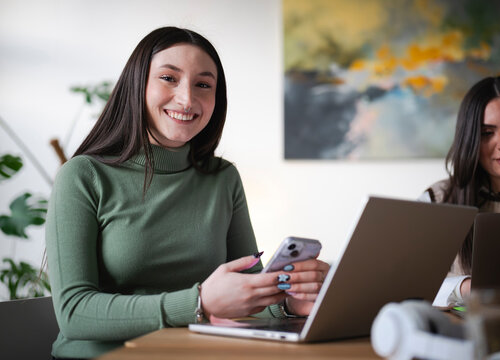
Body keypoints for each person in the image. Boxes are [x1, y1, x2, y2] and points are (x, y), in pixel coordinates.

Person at [45, 27, 329, 360]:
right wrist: (199, 303)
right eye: (169, 78)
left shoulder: (223, 178)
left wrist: (287, 303)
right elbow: (74, 313)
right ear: (137, 85)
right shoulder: (83, 175)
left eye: (203, 85)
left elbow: (248, 296)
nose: (187, 99)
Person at [419, 76, 500, 307]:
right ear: (470, 137)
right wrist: (464, 287)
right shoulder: (436, 201)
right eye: (487, 132)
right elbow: (406, 287)